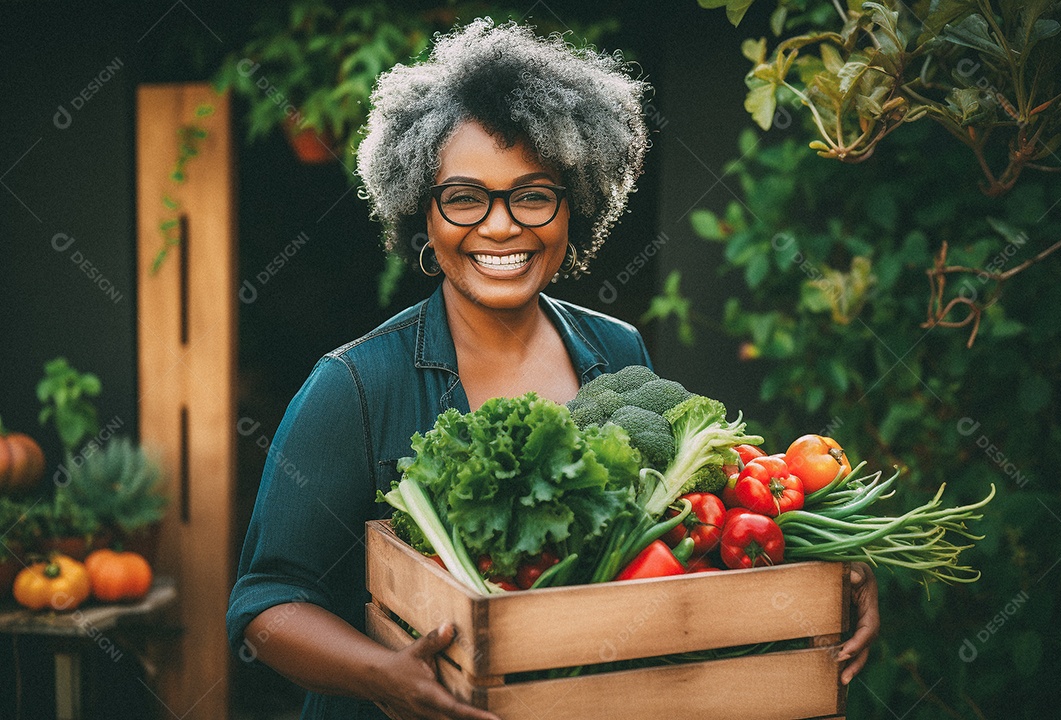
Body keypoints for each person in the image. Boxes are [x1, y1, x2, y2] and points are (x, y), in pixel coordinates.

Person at [226, 18, 878, 720]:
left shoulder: (618, 353)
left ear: (576, 207)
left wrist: (828, 567)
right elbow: (265, 604)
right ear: (424, 211)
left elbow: (689, 533)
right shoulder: (354, 386)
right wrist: (385, 675)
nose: (501, 226)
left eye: (533, 195)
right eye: (465, 197)